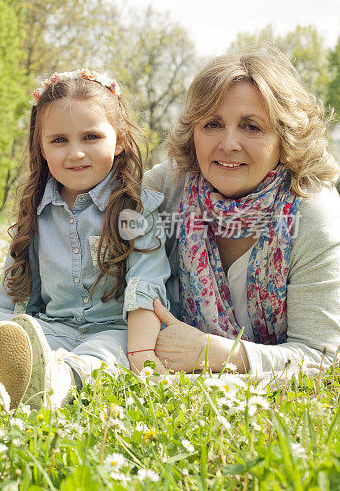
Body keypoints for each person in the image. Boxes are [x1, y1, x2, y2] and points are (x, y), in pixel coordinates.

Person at [0, 69, 170, 410]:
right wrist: (7, 332)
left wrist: (143, 353)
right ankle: (4, 373)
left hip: (115, 331)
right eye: (59, 140)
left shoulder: (135, 208)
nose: (75, 153)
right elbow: (16, 296)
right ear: (41, 147)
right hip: (52, 329)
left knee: (101, 357)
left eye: (90, 137)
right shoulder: (35, 210)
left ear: (118, 141)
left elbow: (144, 287)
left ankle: (54, 384)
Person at [145, 45, 340, 375]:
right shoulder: (168, 187)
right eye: (212, 124)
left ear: (284, 138)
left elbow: (320, 357)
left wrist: (216, 353)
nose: (228, 143)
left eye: (251, 126)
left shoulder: (312, 214)